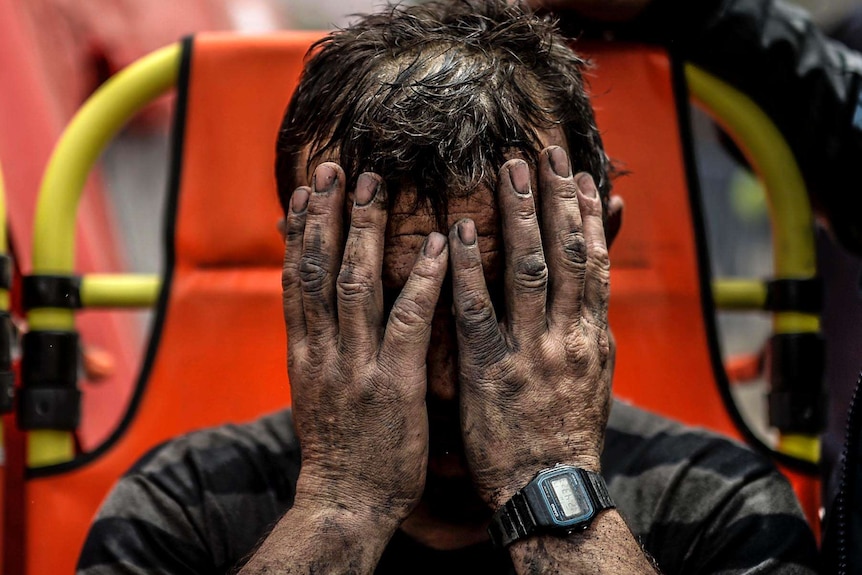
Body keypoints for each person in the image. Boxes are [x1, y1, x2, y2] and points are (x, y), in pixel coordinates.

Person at [76, 1, 818, 573]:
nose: (438, 378)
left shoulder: (718, 500)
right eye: (388, 301)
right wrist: (341, 507)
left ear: (596, 255)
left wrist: (549, 483)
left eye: (494, 299)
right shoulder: (185, 500)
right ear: (306, 268)